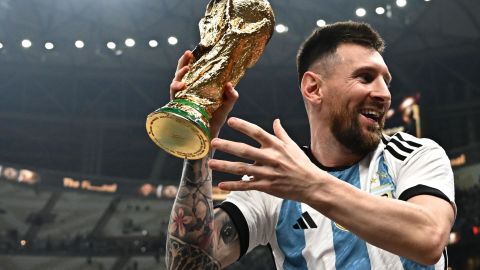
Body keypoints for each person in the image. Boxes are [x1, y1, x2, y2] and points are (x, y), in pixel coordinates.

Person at [165, 21, 456, 270]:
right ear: (314, 88)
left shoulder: (414, 155)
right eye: (365, 77)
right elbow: (189, 264)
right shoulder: (274, 183)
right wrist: (198, 146)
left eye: (386, 82)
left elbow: (428, 237)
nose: (383, 94)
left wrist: (310, 185)